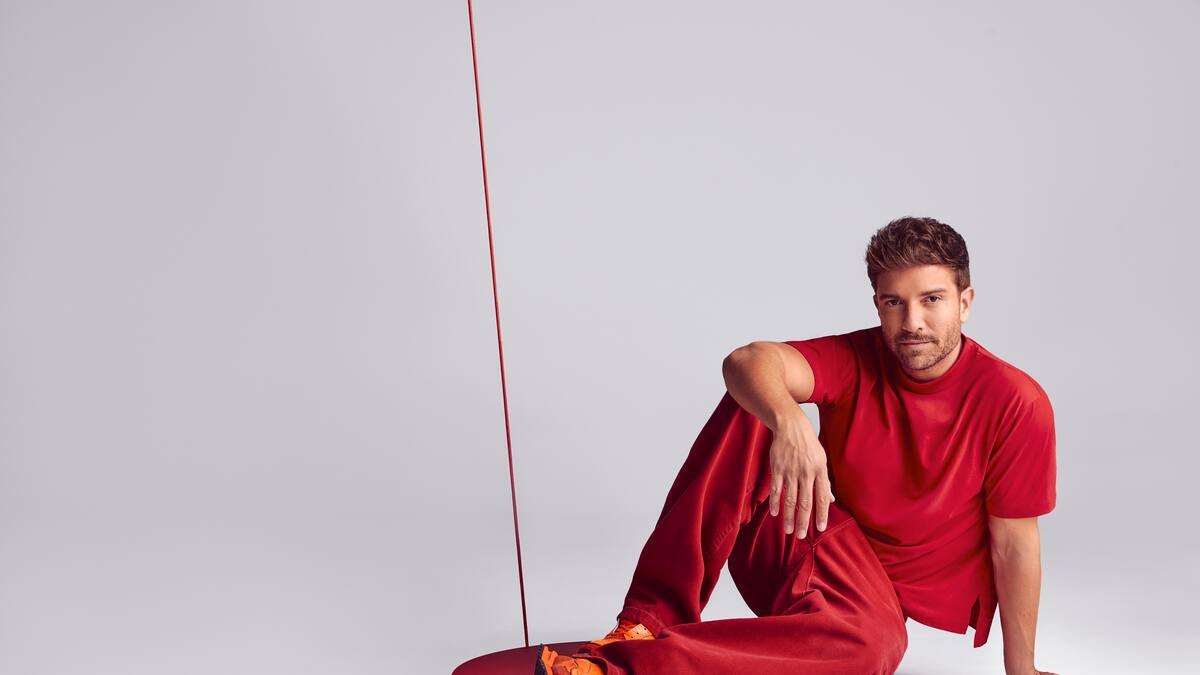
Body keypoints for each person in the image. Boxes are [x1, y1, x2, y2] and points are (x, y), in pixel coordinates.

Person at [535, 217, 1060, 675]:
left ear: (965, 303)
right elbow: (746, 360)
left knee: (873, 648)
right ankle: (646, 623)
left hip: (865, 600)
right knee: (753, 404)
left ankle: (629, 668)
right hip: (801, 533)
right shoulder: (856, 358)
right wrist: (789, 422)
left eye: (932, 300)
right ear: (877, 304)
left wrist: (1022, 669)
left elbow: (1013, 544)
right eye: (894, 302)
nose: (912, 322)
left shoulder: (1015, 402)